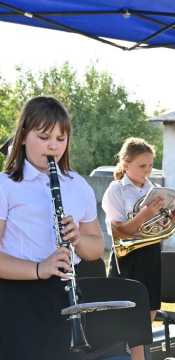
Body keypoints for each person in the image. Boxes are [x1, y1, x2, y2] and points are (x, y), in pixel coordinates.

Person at [0, 96, 104, 360]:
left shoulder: (77, 185)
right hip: (16, 299)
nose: (53, 146)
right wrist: (39, 269)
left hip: (65, 295)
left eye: (61, 138)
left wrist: (78, 239)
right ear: (23, 136)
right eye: (44, 136)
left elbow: (95, 248)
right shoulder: (6, 185)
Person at [102, 137, 164, 360]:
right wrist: (146, 214)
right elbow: (119, 231)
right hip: (126, 260)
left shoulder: (154, 190)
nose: (147, 171)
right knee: (123, 323)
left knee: (144, 326)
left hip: (151, 257)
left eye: (149, 165)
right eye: (141, 166)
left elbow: (159, 228)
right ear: (125, 164)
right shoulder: (115, 190)